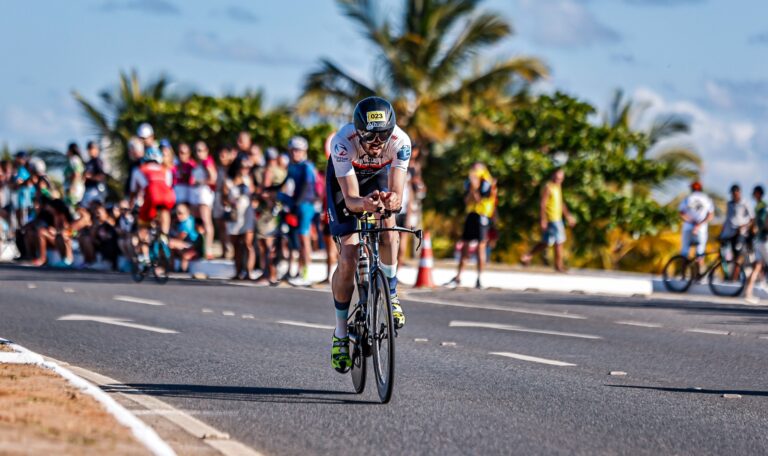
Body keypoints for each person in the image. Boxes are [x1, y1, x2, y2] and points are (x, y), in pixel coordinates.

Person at [326, 96, 412, 372]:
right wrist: (364, 204)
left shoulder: (401, 142)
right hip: (346, 181)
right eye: (370, 137)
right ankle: (340, 333)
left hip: (377, 177)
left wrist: (391, 201)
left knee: (389, 227)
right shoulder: (342, 142)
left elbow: (397, 194)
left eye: (382, 136)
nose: (376, 143)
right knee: (349, 255)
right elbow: (351, 199)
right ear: (358, 131)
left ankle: (392, 294)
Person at [129, 128, 176, 267]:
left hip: (151, 198)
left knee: (143, 226)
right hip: (168, 198)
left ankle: (144, 257)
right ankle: (164, 236)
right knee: (164, 212)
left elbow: (134, 191)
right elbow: (168, 185)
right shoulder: (165, 170)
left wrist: (131, 205)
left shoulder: (140, 170)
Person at [445, 163, 497, 289]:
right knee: (465, 245)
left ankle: (480, 277)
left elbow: (479, 200)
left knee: (481, 247)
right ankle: (458, 276)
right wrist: (472, 188)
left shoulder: (486, 183)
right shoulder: (470, 183)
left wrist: (475, 188)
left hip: (482, 216)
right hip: (471, 214)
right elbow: (467, 201)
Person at [521, 168, 576, 272]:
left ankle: (527, 256)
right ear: (553, 176)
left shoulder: (558, 187)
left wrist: (568, 216)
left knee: (546, 242)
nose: (559, 180)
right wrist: (543, 219)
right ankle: (559, 266)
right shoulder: (548, 187)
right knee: (559, 241)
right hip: (552, 218)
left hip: (557, 217)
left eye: (561, 179)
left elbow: (561, 203)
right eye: (557, 178)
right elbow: (543, 204)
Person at [279, 136, 318, 285]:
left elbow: (306, 186)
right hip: (296, 204)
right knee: (295, 239)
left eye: (298, 150)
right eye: (292, 150)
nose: (295, 153)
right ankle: (296, 269)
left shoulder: (307, 166)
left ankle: (306, 271)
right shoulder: (291, 166)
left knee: (304, 238)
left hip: (306, 204)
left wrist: (296, 203)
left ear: (304, 151)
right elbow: (284, 182)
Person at [223, 157, 256, 280]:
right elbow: (223, 199)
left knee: (248, 243)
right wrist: (231, 202)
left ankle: (249, 271)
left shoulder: (248, 180)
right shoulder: (228, 181)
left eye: (248, 168)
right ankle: (238, 272)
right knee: (236, 244)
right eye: (243, 167)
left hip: (247, 214)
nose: (245, 170)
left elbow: (254, 194)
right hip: (235, 215)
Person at [676, 181, 715, 268]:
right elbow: (710, 215)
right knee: (700, 253)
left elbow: (681, 213)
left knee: (685, 251)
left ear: (691, 189)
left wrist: (691, 222)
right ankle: (699, 273)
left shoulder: (688, 198)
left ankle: (683, 272)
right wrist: (699, 224)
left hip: (688, 228)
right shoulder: (706, 199)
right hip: (701, 229)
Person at [719, 184, 753, 277]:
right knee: (726, 254)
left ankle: (735, 277)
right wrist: (722, 233)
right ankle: (730, 275)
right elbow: (727, 219)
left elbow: (752, 219)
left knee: (739, 255)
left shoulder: (745, 203)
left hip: (741, 234)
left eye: (735, 192)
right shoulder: (729, 204)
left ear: (739, 192)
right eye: (732, 193)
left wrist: (743, 227)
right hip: (729, 233)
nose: (734, 195)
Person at [190, 141, 217, 259]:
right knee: (198, 223)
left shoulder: (207, 162)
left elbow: (213, 178)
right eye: (196, 150)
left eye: (201, 150)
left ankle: (208, 249)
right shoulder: (199, 164)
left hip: (204, 195)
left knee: (206, 222)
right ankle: (201, 248)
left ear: (206, 151)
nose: (198, 153)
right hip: (197, 195)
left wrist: (199, 182)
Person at [213, 145, 236, 259]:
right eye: (220, 156)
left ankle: (231, 250)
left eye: (224, 155)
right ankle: (224, 250)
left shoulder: (233, 169)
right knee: (220, 225)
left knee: (229, 226)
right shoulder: (219, 168)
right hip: (218, 197)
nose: (221, 158)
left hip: (229, 198)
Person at [745, 185, 766, 304]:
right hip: (764, 240)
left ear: (758, 193)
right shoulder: (762, 206)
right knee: (757, 266)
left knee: (757, 267)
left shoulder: (758, 206)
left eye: (754, 192)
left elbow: (755, 224)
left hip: (758, 240)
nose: (753, 194)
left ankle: (748, 293)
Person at [82, 141, 107, 206]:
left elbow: (101, 176)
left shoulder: (97, 161)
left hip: (96, 190)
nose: (90, 150)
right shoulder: (89, 162)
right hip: (88, 189)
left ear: (97, 149)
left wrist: (90, 176)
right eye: (89, 148)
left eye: (92, 148)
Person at [63, 142, 85, 209]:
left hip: (74, 188)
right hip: (76, 187)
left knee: (72, 209)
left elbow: (76, 173)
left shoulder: (74, 159)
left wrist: (72, 187)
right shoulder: (77, 159)